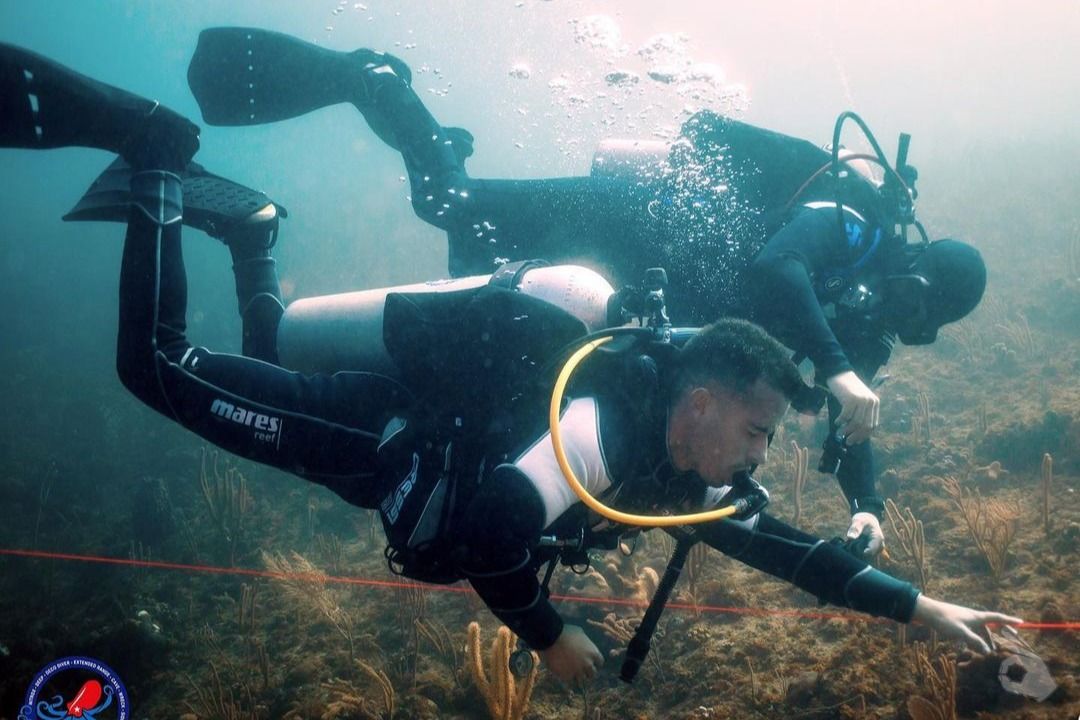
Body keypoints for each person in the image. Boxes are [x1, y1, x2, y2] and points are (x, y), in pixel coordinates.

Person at [0, 41, 1020, 686]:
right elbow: (493, 524)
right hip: (431, 398)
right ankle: (167, 150)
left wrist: (921, 605)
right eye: (755, 434)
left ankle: (251, 230)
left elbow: (787, 548)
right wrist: (546, 634)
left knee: (262, 348)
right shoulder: (624, 420)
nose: (759, 458)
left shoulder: (692, 459)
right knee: (164, 368)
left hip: (437, 405)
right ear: (703, 404)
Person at [184, 28, 990, 557]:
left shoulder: (864, 334)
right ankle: (382, 85)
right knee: (448, 206)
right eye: (911, 294)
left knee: (465, 250)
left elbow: (848, 426)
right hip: (628, 224)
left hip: (624, 299)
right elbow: (781, 267)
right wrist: (839, 365)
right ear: (904, 257)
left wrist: (869, 501)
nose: (898, 315)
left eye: (921, 321)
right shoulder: (850, 220)